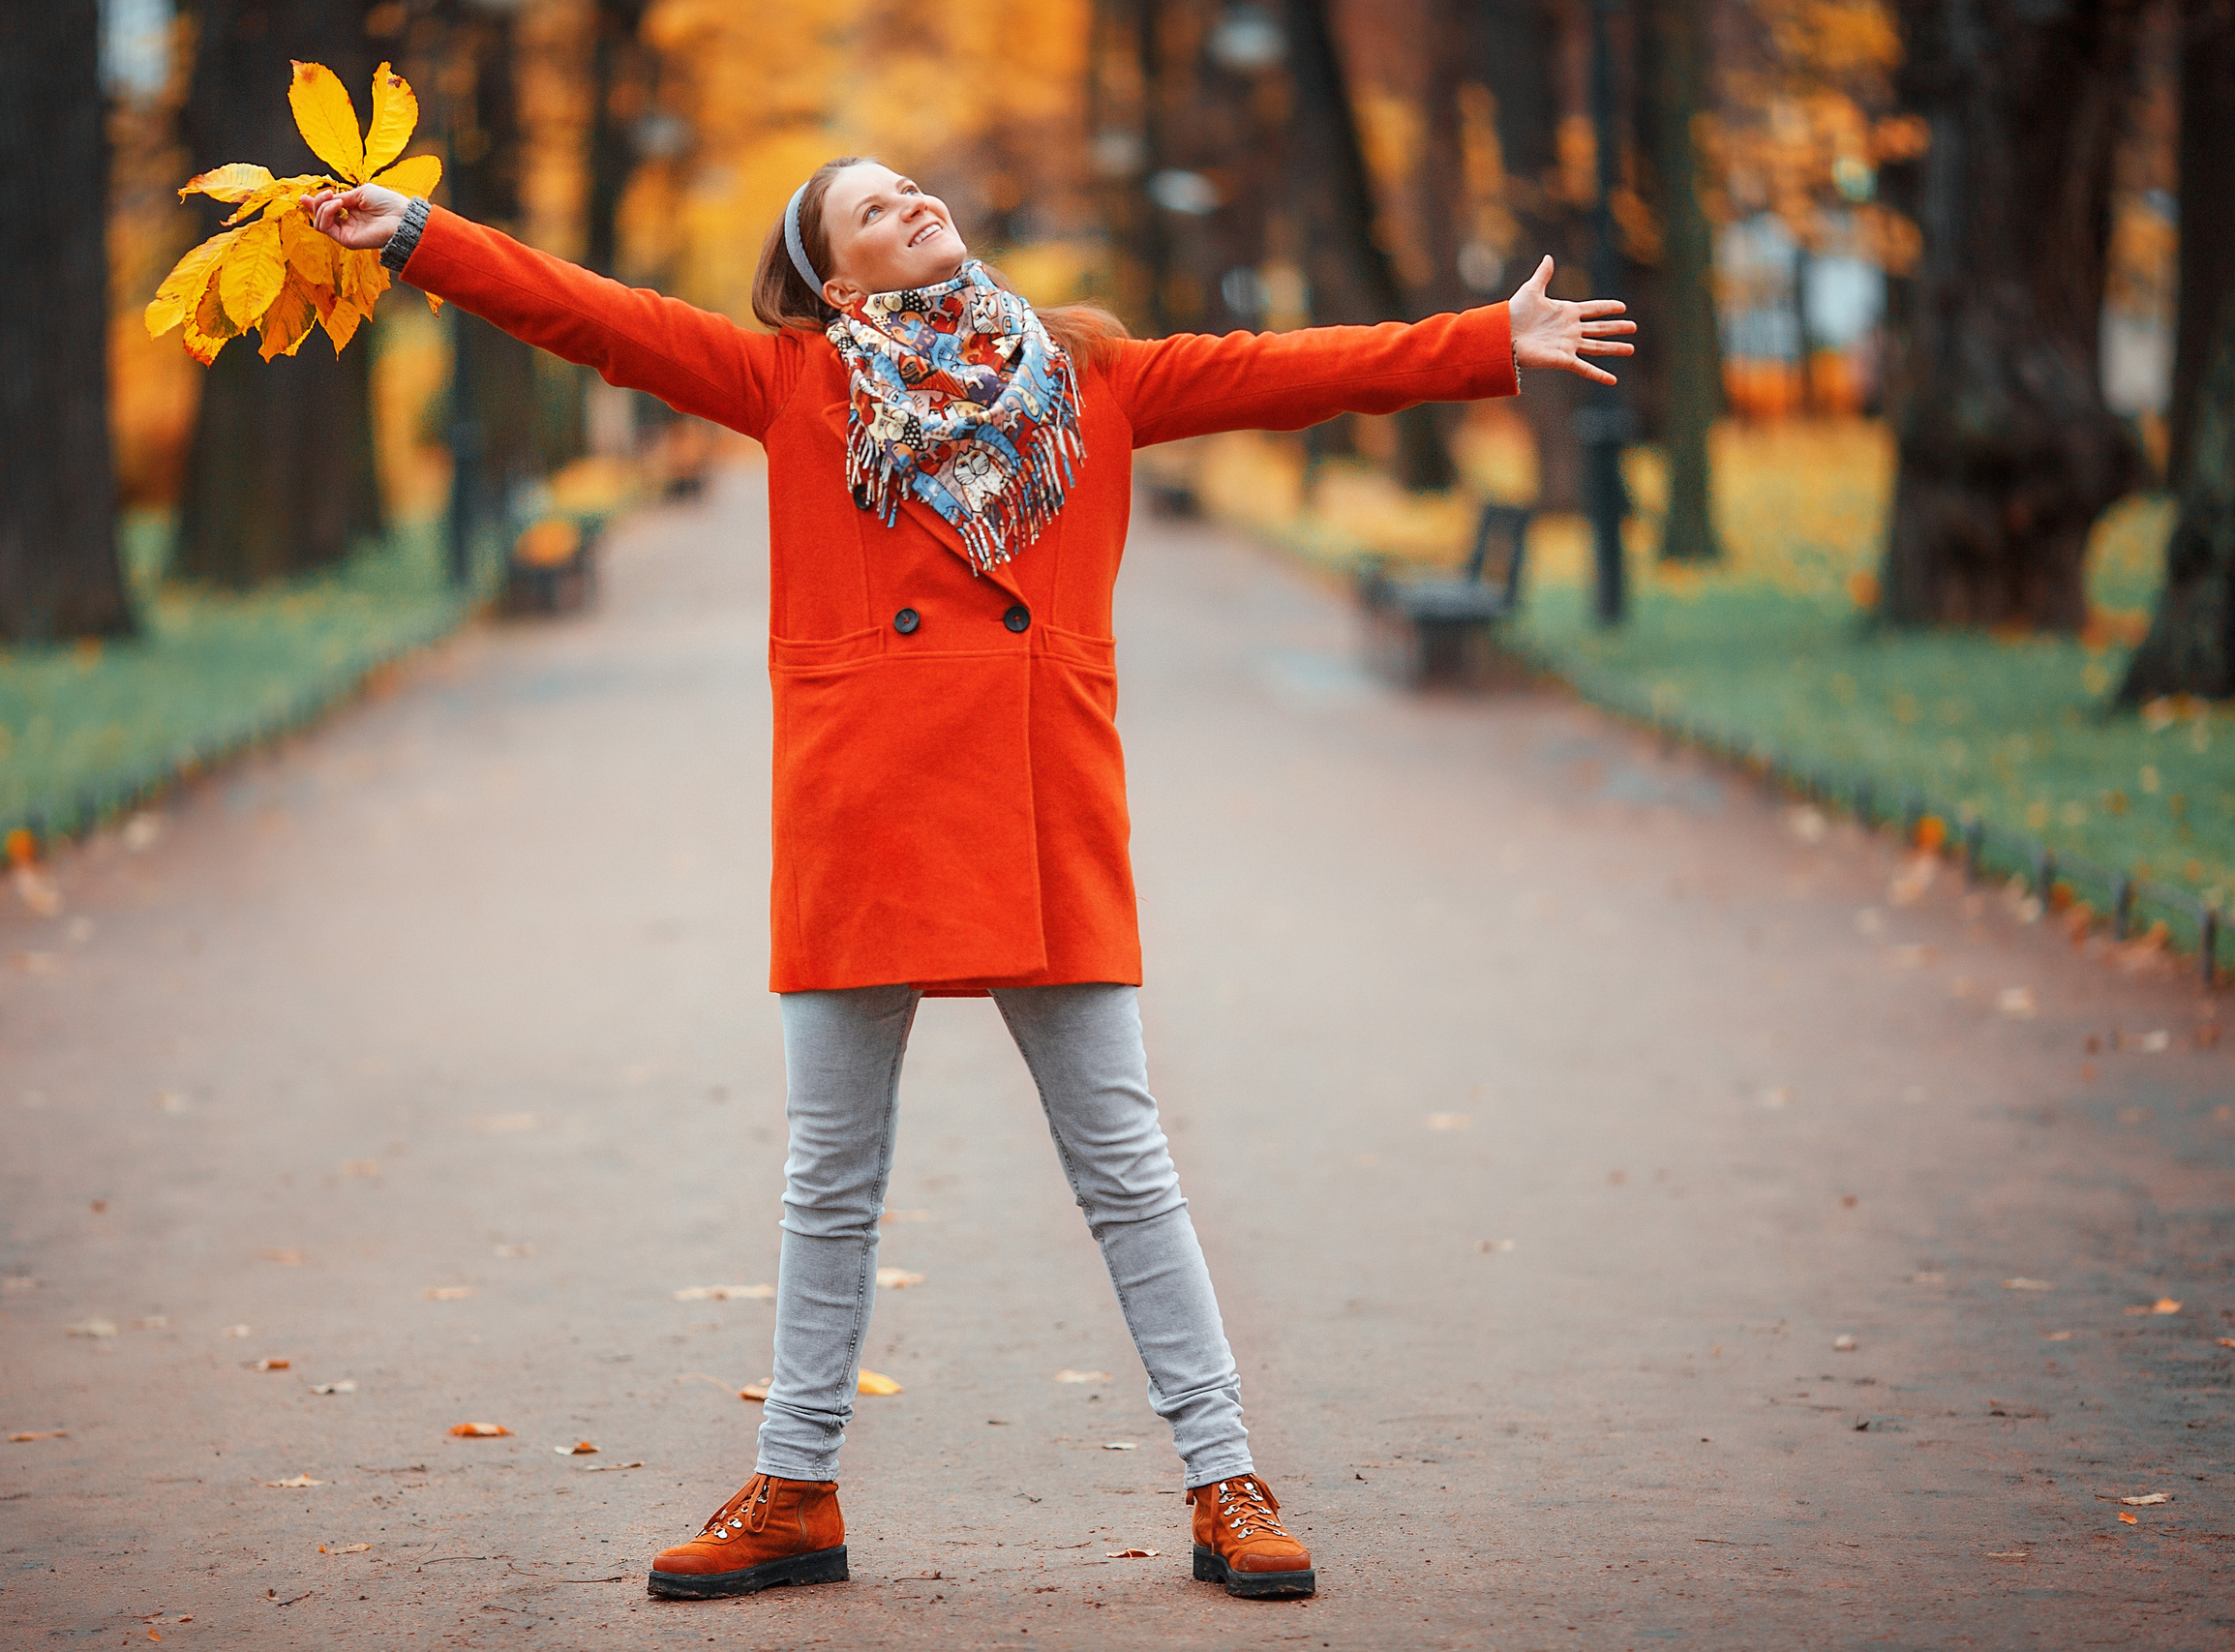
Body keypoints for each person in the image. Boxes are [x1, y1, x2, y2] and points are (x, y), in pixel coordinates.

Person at [305, 156, 1631, 1605]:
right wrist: (421, 236)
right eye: (867, 210)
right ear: (833, 280)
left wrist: (1485, 340)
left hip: (1041, 805)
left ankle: (1224, 1475)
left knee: (1127, 1169)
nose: (909, 205)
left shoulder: (1094, 375)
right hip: (861, 814)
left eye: (911, 188)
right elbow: (598, 319)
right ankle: (797, 1488)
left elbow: (1285, 370)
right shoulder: (791, 384)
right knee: (831, 1183)